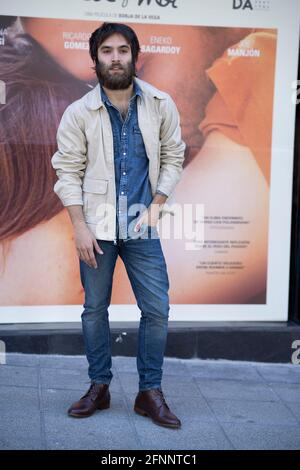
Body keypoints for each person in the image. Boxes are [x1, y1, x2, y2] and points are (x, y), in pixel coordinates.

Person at [51, 22, 185, 428]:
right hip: (98, 227)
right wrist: (79, 226)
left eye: (122, 50)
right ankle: (100, 387)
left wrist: (158, 205)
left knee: (157, 309)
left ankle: (150, 392)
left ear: (134, 56)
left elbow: (173, 156)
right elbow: (67, 172)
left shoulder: (161, 103)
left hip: (141, 224)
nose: (115, 58)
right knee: (94, 310)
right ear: (95, 59)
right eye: (106, 51)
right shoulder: (80, 112)